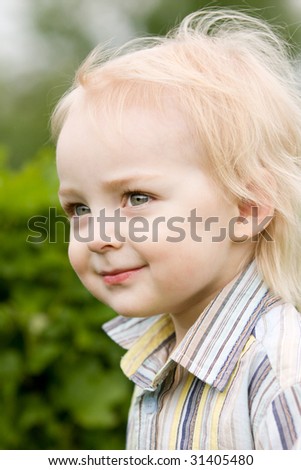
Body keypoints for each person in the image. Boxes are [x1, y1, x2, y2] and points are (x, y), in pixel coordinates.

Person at [52, 9, 301, 449]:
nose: (96, 235)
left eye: (137, 198)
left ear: (248, 208)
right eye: (78, 207)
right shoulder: (159, 352)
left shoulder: (281, 373)